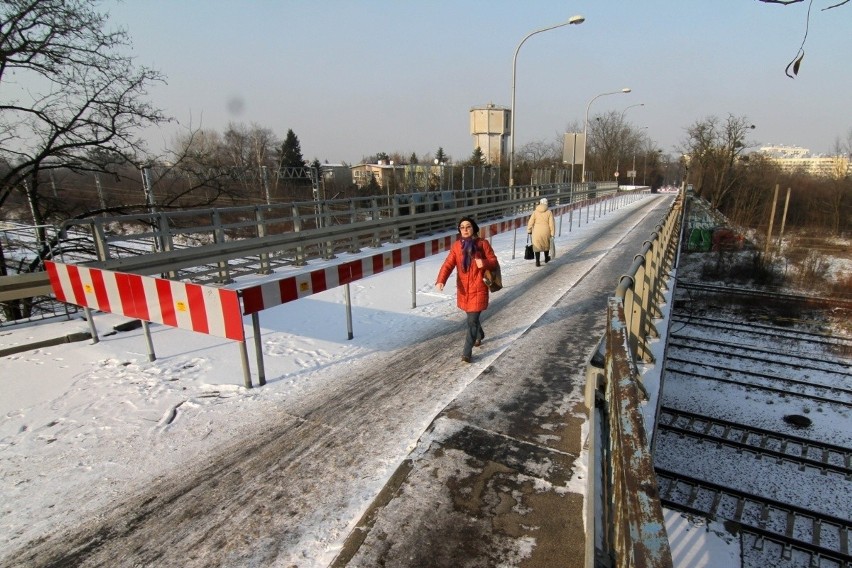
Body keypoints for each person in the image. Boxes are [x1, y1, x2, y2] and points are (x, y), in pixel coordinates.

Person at [435, 216, 498, 363]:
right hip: (464, 289)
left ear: (474, 228)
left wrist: (483, 262)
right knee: (472, 319)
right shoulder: (457, 246)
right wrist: (440, 280)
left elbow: (494, 262)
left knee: (471, 321)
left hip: (479, 287)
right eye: (462, 227)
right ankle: (479, 334)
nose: (465, 229)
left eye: (468, 226)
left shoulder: (483, 244)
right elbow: (448, 265)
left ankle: (467, 353)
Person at [527, 197, 555, 267]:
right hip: (546, 231)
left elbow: (530, 222)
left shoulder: (535, 212)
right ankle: (546, 258)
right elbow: (552, 224)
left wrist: (529, 230)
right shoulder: (549, 212)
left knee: (537, 246)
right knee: (546, 245)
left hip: (536, 232)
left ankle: (537, 262)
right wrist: (552, 234)